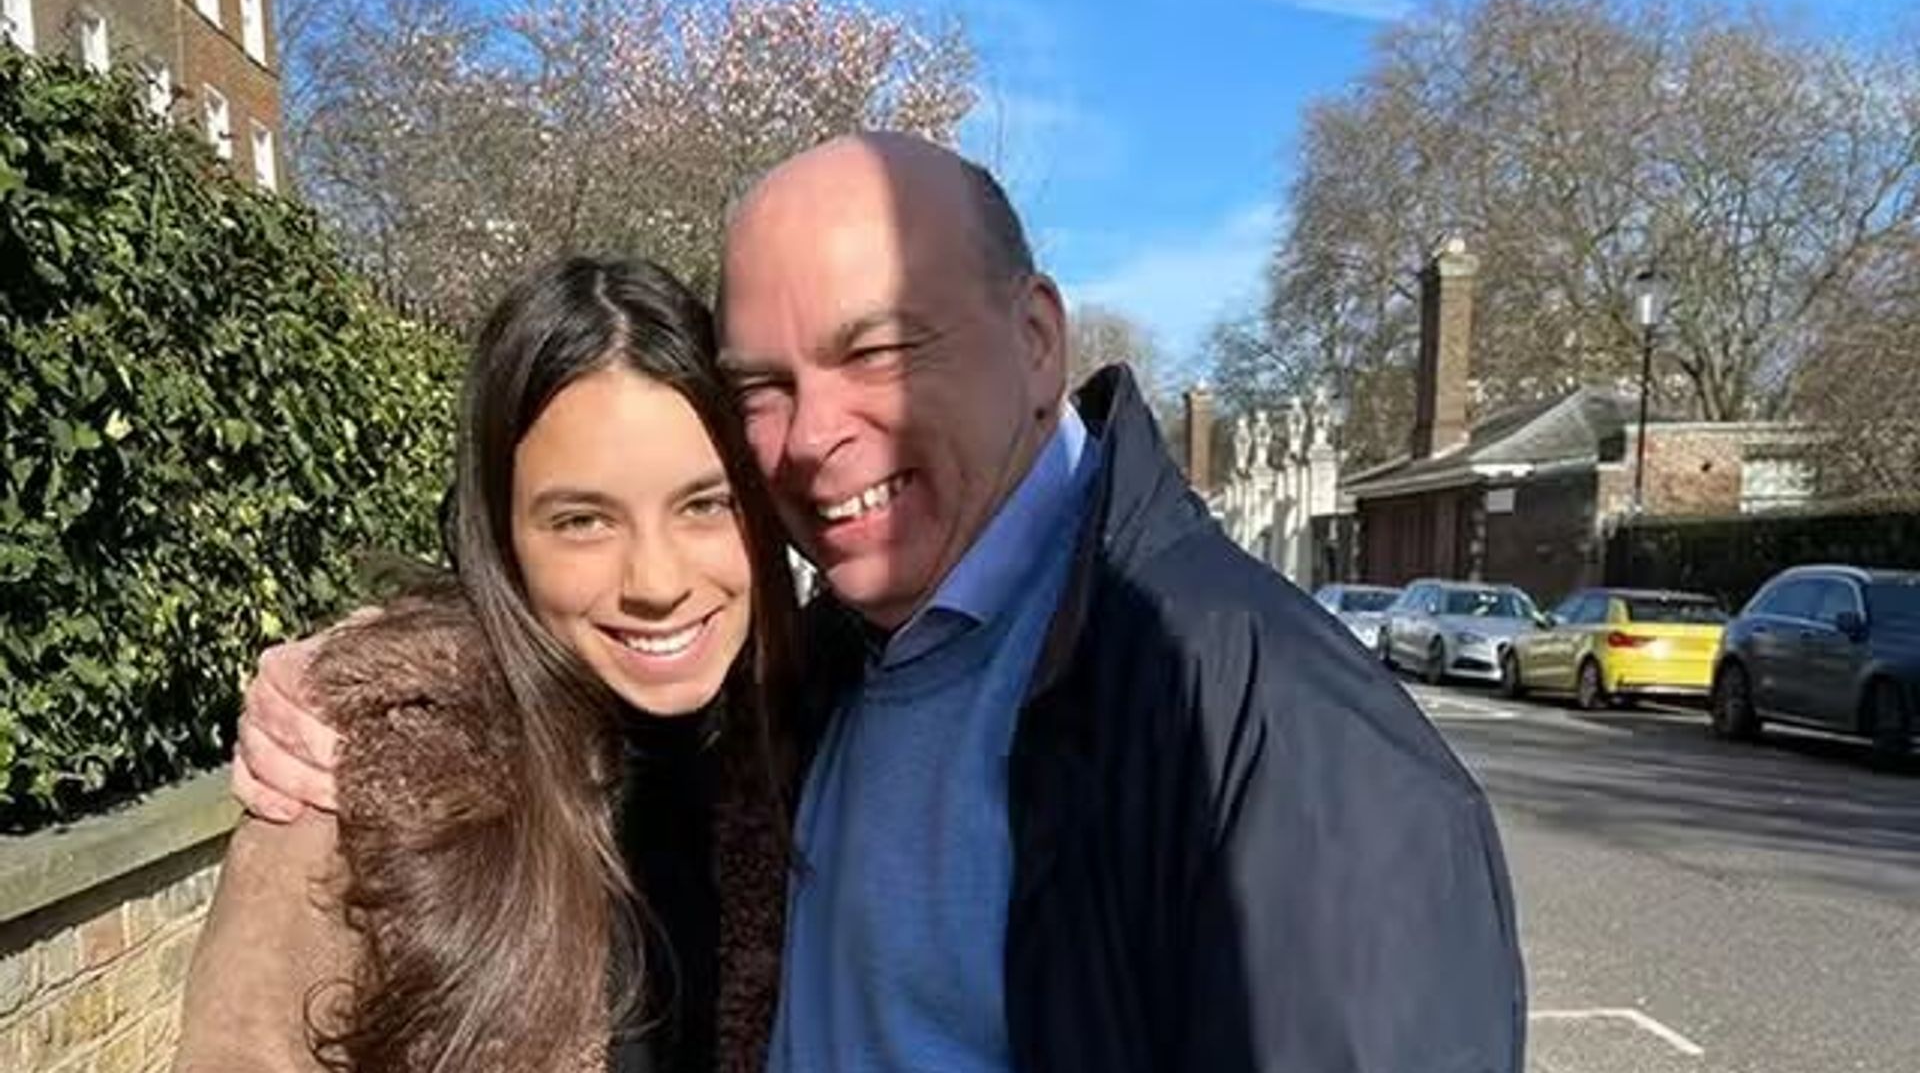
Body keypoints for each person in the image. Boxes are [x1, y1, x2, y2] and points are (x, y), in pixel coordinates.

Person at [235, 134, 1526, 1071]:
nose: (817, 437)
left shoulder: (1265, 725)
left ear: (1037, 341)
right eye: (767, 388)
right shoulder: (842, 667)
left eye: (879, 351)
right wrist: (370, 680)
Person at [176, 257, 795, 1073]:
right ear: (502, 539)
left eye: (705, 504)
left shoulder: (818, 736)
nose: (659, 582)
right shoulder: (357, 791)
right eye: (581, 520)